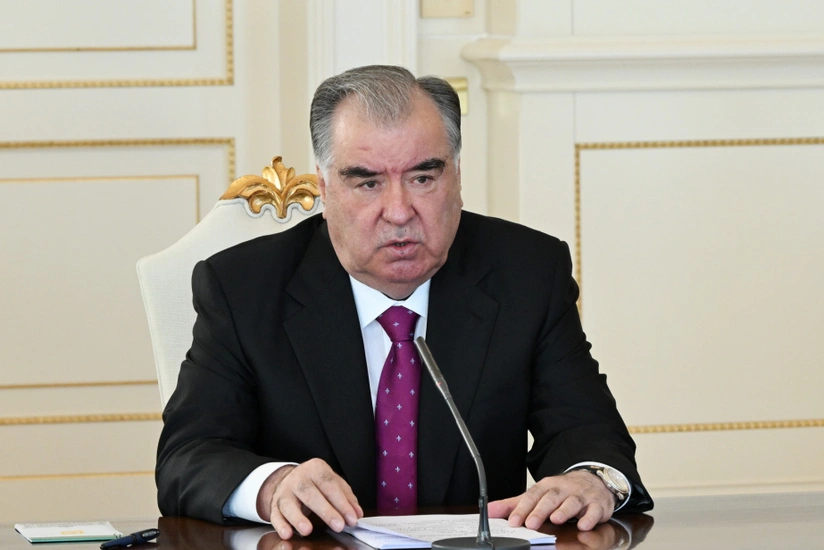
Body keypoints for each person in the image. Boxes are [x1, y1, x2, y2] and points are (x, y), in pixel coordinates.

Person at [156, 65, 653, 540]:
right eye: (368, 182)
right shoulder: (243, 288)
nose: (398, 212)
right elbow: (188, 456)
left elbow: (585, 429)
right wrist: (272, 486)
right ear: (325, 188)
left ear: (457, 177)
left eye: (423, 178)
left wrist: (590, 479)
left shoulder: (527, 273)